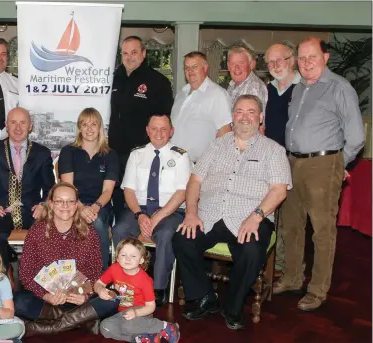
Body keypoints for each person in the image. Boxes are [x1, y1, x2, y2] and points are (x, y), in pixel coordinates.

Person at [173, 94, 291, 330]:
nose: (244, 117)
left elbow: (279, 192)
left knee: (251, 251)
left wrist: (256, 216)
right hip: (210, 214)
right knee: (182, 239)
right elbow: (195, 181)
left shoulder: (274, 150)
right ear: (232, 116)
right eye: (239, 111)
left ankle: (233, 307)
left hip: (251, 217)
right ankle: (206, 296)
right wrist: (191, 213)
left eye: (250, 112)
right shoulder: (217, 145)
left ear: (260, 118)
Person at [275, 37, 366, 312]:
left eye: (312, 57)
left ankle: (317, 290)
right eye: (301, 59)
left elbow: (357, 137)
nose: (306, 63)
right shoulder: (300, 88)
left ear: (325, 58)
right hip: (293, 164)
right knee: (291, 226)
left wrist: (339, 165)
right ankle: (292, 278)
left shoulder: (340, 87)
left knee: (322, 232)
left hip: (323, 165)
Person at [14, 182, 118, 337]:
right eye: (59, 201)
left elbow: (96, 270)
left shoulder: (90, 233)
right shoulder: (36, 231)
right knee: (16, 300)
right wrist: (46, 295)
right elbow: (26, 274)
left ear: (77, 205)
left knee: (113, 298)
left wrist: (85, 295)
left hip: (79, 300)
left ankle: (48, 327)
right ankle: (82, 319)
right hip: (47, 301)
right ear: (51, 204)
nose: (65, 206)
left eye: (70, 201)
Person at [111, 113, 191, 307]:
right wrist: (140, 216)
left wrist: (155, 219)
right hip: (138, 209)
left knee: (165, 234)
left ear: (171, 131)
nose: (159, 133)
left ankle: (158, 289)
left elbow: (181, 193)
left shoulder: (181, 156)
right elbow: (129, 190)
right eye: (154, 128)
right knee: (120, 229)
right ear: (147, 131)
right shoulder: (136, 154)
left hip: (169, 211)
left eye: (164, 129)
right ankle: (122, 282)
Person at [0, 107, 55, 272]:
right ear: (6, 125)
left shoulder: (42, 153)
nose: (18, 127)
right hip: (0, 210)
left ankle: (37, 279)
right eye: (13, 122)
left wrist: (44, 204)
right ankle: (3, 275)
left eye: (23, 123)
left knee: (46, 232)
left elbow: (51, 188)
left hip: (31, 211)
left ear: (30, 126)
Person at [109, 36, 174, 217]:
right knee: (119, 200)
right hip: (115, 152)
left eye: (134, 52)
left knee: (141, 200)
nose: (129, 57)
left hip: (143, 154)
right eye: (125, 53)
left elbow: (163, 121)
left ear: (143, 54)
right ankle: (122, 241)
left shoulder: (158, 82)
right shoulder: (114, 78)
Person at [59, 108, 119, 270]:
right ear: (79, 128)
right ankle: (69, 274)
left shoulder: (110, 155)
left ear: (100, 127)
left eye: (94, 124)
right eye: (84, 124)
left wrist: (94, 207)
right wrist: (81, 207)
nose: (89, 128)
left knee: (98, 222)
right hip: (71, 204)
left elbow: (107, 191)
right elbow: (68, 188)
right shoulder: (68, 152)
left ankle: (101, 274)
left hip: (100, 205)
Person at [95, 237, 180, 343]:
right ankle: (140, 338)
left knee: (128, 326)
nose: (127, 259)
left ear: (141, 260)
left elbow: (151, 307)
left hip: (141, 312)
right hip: (122, 313)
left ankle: (166, 326)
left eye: (133, 256)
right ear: (117, 257)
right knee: (105, 327)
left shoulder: (145, 280)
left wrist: (136, 313)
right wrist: (100, 290)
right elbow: (98, 283)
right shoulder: (114, 269)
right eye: (123, 255)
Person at [263, 43, 302, 277]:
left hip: (295, 159)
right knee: (272, 213)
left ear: (292, 60)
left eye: (280, 60)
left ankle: (290, 269)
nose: (275, 66)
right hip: (270, 158)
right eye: (270, 62)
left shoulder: (304, 88)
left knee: (291, 218)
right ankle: (273, 262)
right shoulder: (268, 89)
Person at [170, 51, 232, 163]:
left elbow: (225, 133)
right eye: (187, 67)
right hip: (174, 163)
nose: (190, 71)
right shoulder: (181, 94)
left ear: (205, 67)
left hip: (200, 166)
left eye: (194, 66)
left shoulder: (217, 94)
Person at [226, 46, 268, 113]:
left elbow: (253, 121)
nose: (236, 68)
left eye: (241, 63)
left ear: (252, 65)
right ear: (228, 66)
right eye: (232, 63)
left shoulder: (254, 87)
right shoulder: (233, 84)